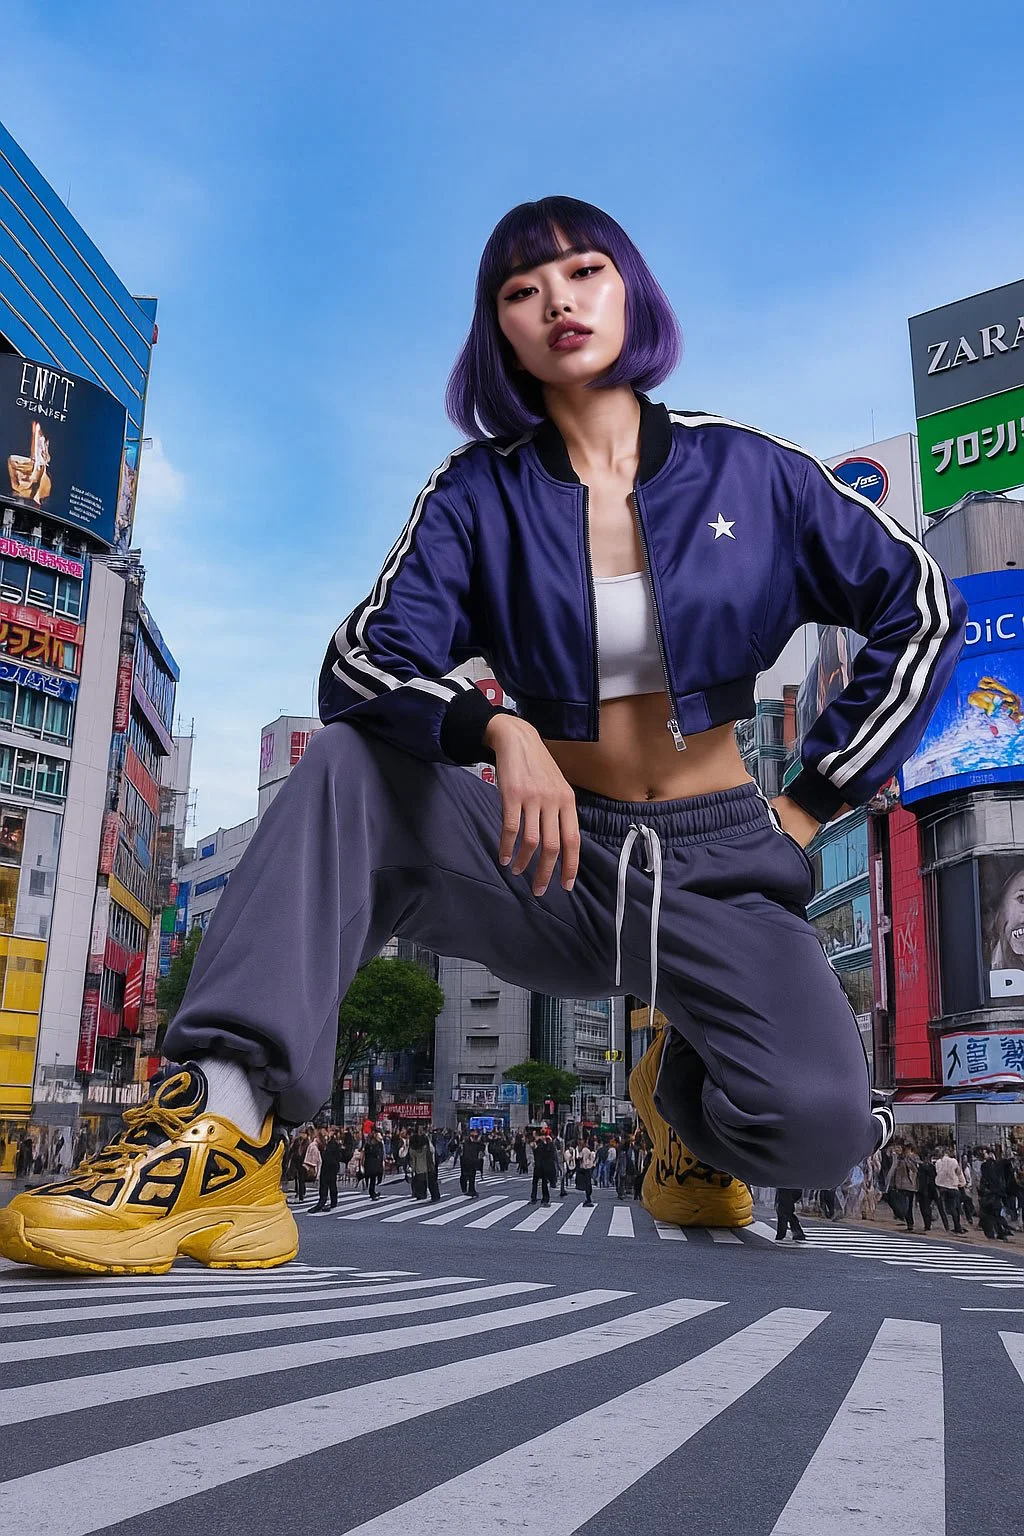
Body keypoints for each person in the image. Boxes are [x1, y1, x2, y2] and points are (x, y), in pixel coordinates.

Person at [0, 195, 967, 1277]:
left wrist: (809, 802)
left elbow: (918, 605)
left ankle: (680, 1102)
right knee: (352, 765)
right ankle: (224, 1134)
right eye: (520, 289)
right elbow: (358, 663)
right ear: (496, 328)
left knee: (818, 1129)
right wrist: (492, 727)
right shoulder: (477, 495)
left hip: (719, 861)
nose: (557, 299)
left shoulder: (751, 472)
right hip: (538, 853)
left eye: (584, 271)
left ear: (629, 290)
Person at [934, 1145, 965, 1235]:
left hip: (942, 1186)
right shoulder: (954, 1161)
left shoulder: (938, 1162)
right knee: (955, 1208)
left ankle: (947, 1225)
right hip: (953, 1186)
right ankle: (957, 1226)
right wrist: (962, 1182)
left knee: (944, 1207)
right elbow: (959, 1172)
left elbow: (937, 1172)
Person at [309, 1130, 341, 1212]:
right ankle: (324, 1201)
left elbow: (334, 1155)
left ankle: (328, 1202)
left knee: (330, 1184)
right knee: (325, 1184)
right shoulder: (323, 1144)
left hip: (331, 1166)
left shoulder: (332, 1144)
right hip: (326, 1166)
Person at [530, 1130, 557, 1205]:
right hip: (538, 1166)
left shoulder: (548, 1144)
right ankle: (534, 1198)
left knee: (544, 1183)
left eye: (544, 1135)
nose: (543, 1137)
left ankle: (545, 1199)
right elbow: (533, 1147)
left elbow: (551, 1154)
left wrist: (549, 1142)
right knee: (535, 1182)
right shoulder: (537, 1143)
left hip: (544, 1167)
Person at [459, 1129, 485, 1197]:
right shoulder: (465, 1142)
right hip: (465, 1161)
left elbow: (482, 1148)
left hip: (473, 1161)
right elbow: (460, 1150)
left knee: (472, 1176)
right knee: (464, 1176)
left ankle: (472, 1190)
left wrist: (479, 1141)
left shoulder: (477, 1142)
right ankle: (464, 1189)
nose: (474, 1136)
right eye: (473, 1134)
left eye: (476, 1135)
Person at [362, 1130, 384, 1201]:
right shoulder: (375, 1144)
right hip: (373, 1163)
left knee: (372, 1178)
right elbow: (378, 1153)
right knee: (373, 1178)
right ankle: (372, 1192)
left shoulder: (368, 1144)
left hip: (369, 1163)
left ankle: (372, 1191)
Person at [577, 1137, 597, 1207]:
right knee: (588, 1183)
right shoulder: (589, 1150)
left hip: (585, 1167)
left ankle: (588, 1199)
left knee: (587, 1183)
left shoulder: (584, 1150)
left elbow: (580, 1157)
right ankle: (588, 1199)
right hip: (589, 1166)